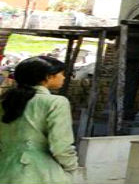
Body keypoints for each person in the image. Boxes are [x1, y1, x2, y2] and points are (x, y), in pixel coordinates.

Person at [0, 56, 79, 184]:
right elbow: (61, 146)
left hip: (5, 170)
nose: (64, 78)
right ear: (48, 77)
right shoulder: (56, 102)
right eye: (62, 74)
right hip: (41, 173)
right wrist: (71, 167)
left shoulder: (5, 101)